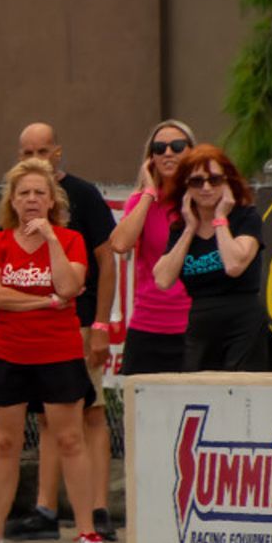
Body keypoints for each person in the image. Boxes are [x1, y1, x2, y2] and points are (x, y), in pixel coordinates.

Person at [0, 158, 104, 543]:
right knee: (5, 442)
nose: (30, 200)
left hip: (57, 353)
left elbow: (70, 284)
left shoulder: (72, 240)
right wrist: (45, 302)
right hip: (7, 353)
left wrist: (52, 242)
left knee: (69, 439)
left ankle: (86, 532)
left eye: (38, 193)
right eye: (23, 193)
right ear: (12, 199)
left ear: (51, 200)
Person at [9, 122, 117, 542]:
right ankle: (45, 510)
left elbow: (107, 261)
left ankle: (98, 510)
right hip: (39, 326)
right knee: (49, 419)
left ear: (57, 152)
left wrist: (101, 326)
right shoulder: (17, 204)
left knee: (90, 414)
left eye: (43, 149)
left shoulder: (83, 196)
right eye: (26, 151)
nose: (35, 156)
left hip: (80, 322)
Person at [152, 144, 272, 372]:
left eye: (215, 180)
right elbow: (162, 279)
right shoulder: (181, 228)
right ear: (186, 187)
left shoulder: (246, 218)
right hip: (202, 323)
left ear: (228, 182)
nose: (206, 188)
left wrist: (220, 218)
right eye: (197, 182)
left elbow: (233, 265)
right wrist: (190, 228)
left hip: (243, 321)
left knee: (241, 392)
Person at [106, 119, 197, 375]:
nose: (168, 153)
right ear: (151, 158)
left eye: (177, 146)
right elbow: (120, 244)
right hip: (148, 326)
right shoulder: (143, 201)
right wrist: (148, 192)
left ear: (192, 152)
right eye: (160, 148)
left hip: (192, 327)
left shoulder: (202, 199)